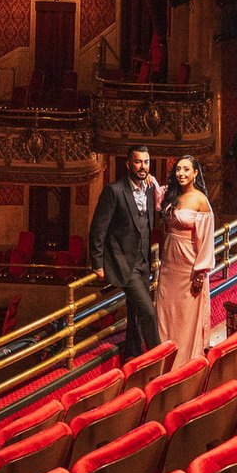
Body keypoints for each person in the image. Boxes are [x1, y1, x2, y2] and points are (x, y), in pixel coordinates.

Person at [88, 147, 164, 359]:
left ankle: (132, 355)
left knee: (135, 313)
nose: (143, 167)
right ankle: (158, 359)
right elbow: (98, 229)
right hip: (124, 263)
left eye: (146, 162)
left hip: (143, 263)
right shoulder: (114, 191)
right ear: (128, 164)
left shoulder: (149, 190)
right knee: (148, 311)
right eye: (138, 162)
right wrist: (97, 264)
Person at [155, 155, 216, 365]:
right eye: (178, 169)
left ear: (195, 173)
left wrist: (201, 273)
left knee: (185, 316)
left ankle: (184, 363)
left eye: (186, 169)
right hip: (169, 264)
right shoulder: (171, 195)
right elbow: (155, 196)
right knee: (165, 311)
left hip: (189, 267)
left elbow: (206, 239)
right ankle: (164, 359)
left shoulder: (200, 200)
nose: (181, 173)